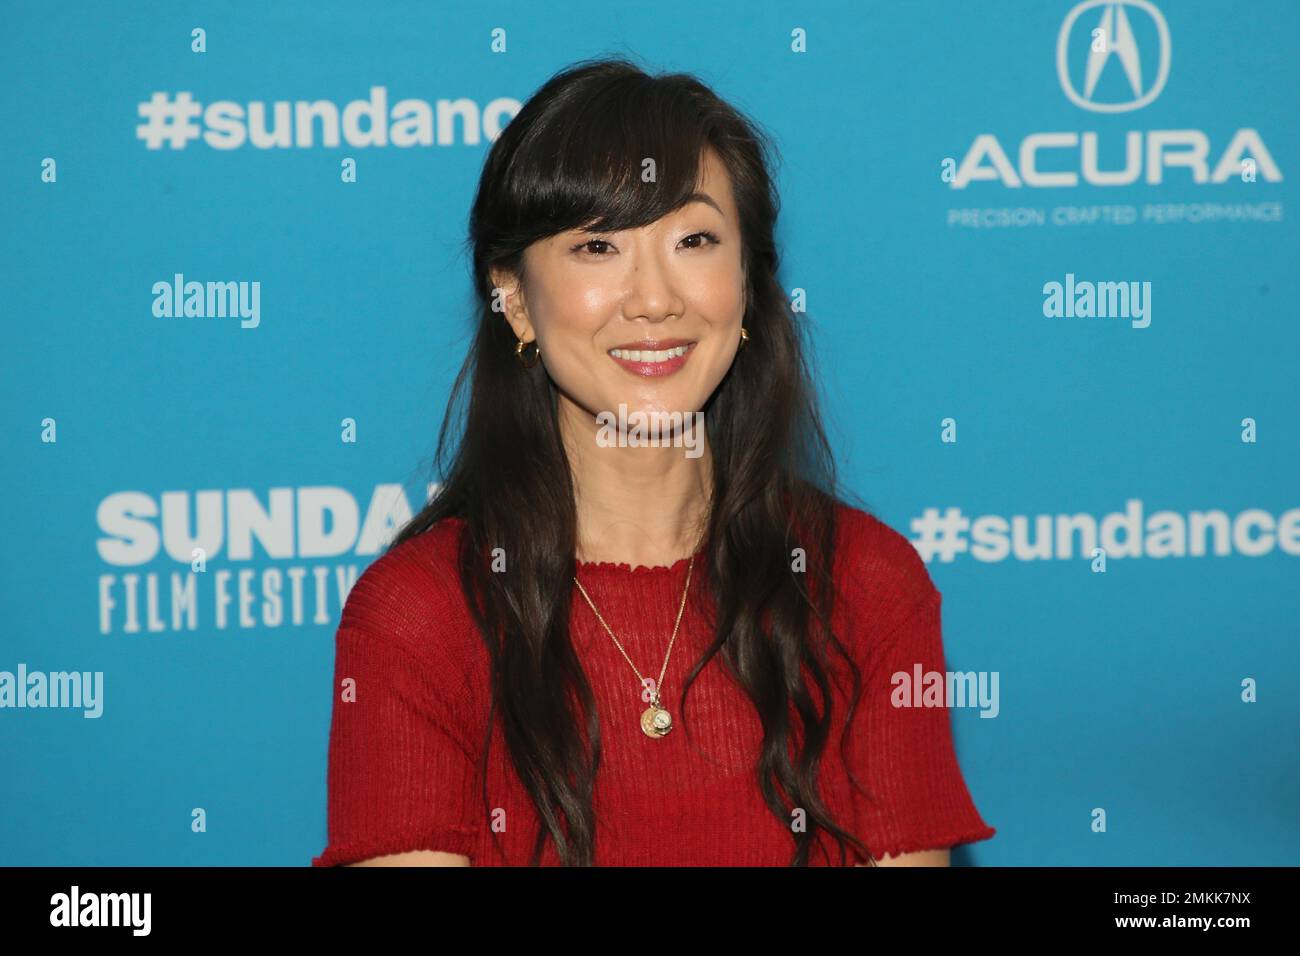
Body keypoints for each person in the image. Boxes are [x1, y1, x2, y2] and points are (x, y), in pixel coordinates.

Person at [312, 55, 995, 867]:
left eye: (693, 240)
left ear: (747, 283)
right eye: (599, 246)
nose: (654, 300)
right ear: (515, 299)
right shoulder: (419, 617)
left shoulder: (866, 588)